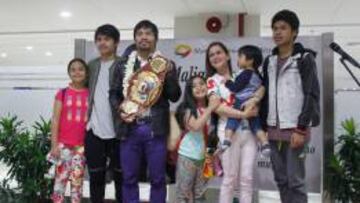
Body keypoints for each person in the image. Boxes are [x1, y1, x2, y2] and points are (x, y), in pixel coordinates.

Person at [109, 19, 181, 203]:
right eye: (140, 33)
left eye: (148, 33)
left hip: (155, 129)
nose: (144, 37)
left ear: (155, 39)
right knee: (129, 178)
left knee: (158, 179)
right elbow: (114, 94)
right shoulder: (122, 65)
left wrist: (170, 75)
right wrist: (120, 111)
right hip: (129, 128)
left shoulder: (165, 64)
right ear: (135, 38)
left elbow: (174, 96)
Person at [261, 10, 320, 203]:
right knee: (281, 180)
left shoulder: (304, 58)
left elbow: (311, 94)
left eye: (283, 28)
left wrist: (301, 128)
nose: (278, 32)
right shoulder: (269, 61)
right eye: (275, 28)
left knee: (296, 181)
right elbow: (266, 94)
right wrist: (263, 127)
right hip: (273, 130)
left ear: (294, 32)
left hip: (296, 129)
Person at [205, 41, 264, 203]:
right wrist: (243, 113)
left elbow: (261, 87)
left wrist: (256, 99)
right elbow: (217, 107)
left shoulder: (243, 73)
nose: (215, 56)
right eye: (211, 55)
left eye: (218, 52)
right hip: (228, 133)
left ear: (227, 55)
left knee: (247, 179)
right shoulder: (212, 81)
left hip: (249, 132)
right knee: (230, 179)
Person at [85, 24, 123, 203]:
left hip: (120, 131)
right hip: (94, 130)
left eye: (106, 39)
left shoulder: (125, 64)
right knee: (95, 178)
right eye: (99, 39)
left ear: (116, 42)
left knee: (121, 178)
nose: (102, 43)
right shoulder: (91, 66)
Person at [174, 76, 220, 203]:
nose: (199, 87)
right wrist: (210, 108)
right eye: (194, 86)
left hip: (207, 157)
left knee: (201, 195)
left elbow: (215, 133)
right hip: (188, 157)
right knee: (183, 195)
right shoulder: (186, 109)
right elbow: (195, 126)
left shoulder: (215, 110)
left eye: (202, 83)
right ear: (190, 91)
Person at [49, 58, 89, 203]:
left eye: (80, 69)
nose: (77, 72)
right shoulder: (63, 93)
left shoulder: (90, 94)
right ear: (69, 73)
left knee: (77, 186)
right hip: (63, 147)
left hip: (81, 149)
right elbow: (55, 120)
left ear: (86, 72)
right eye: (73, 69)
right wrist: (54, 145)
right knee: (59, 185)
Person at [221, 45, 270, 157]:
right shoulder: (258, 75)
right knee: (256, 125)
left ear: (250, 60)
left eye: (240, 57)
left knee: (232, 120)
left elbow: (235, 88)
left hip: (241, 101)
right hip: (253, 104)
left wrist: (227, 82)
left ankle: (227, 140)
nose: (237, 59)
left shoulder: (245, 73)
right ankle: (265, 143)